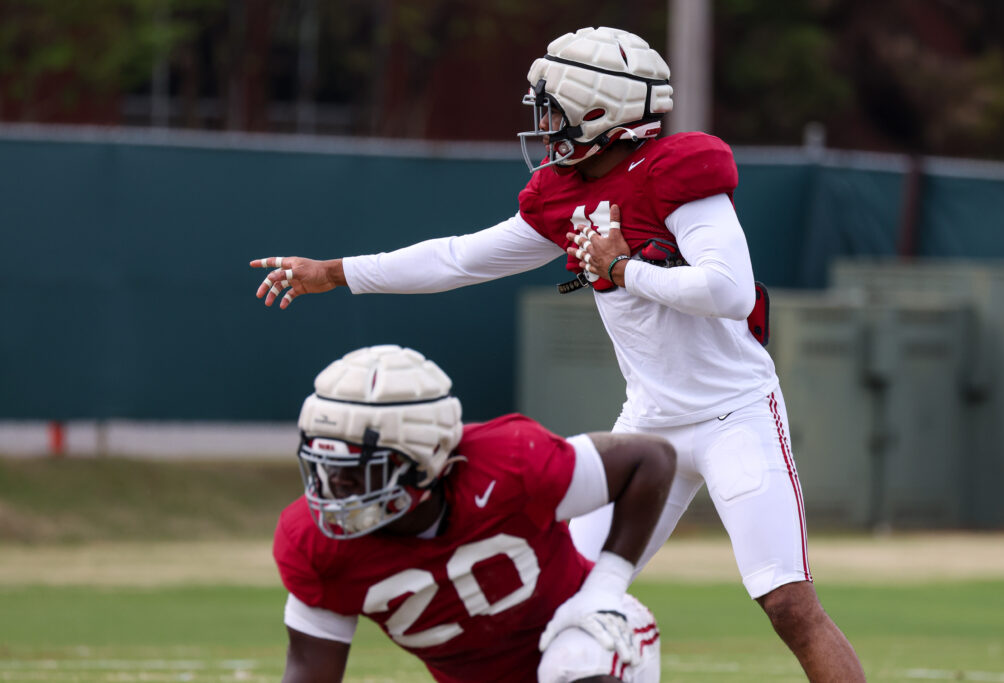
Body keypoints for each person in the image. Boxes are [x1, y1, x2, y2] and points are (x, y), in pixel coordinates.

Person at [253, 26, 865, 682]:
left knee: (788, 601)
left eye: (554, 109)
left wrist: (623, 267)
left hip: (734, 414)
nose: (544, 127)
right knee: (566, 599)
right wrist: (338, 271)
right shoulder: (561, 195)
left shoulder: (677, 171)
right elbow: (460, 257)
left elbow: (729, 290)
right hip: (651, 416)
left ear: (601, 111)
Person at [275, 344, 673, 682]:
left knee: (574, 661)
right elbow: (310, 670)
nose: (335, 489)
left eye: (358, 471)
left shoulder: (509, 463)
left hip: (593, 635)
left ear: (424, 458)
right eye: (326, 469)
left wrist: (605, 589)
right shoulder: (314, 543)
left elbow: (651, 459)